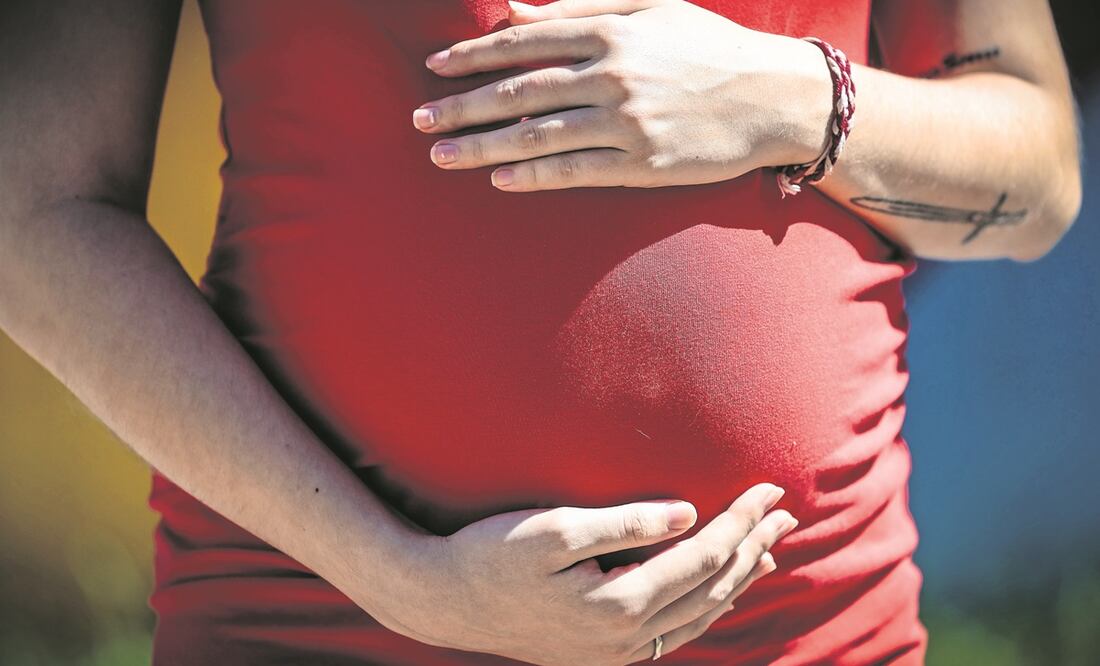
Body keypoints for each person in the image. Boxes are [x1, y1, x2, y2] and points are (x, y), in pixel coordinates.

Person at [0, 0, 1080, 663]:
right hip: (316, 622)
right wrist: (397, 576)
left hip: (800, 628)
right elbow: (29, 208)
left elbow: (1036, 176)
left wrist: (790, 101)